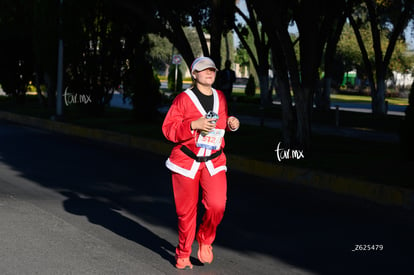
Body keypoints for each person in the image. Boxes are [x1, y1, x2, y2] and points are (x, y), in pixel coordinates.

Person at [162, 56, 240, 270]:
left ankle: (205, 239)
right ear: (194, 73)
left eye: (212, 70)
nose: (209, 72)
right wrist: (193, 124)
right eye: (204, 69)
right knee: (186, 212)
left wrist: (231, 124)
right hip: (186, 161)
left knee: (217, 204)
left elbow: (220, 124)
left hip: (214, 160)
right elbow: (168, 129)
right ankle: (184, 252)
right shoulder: (183, 99)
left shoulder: (220, 97)